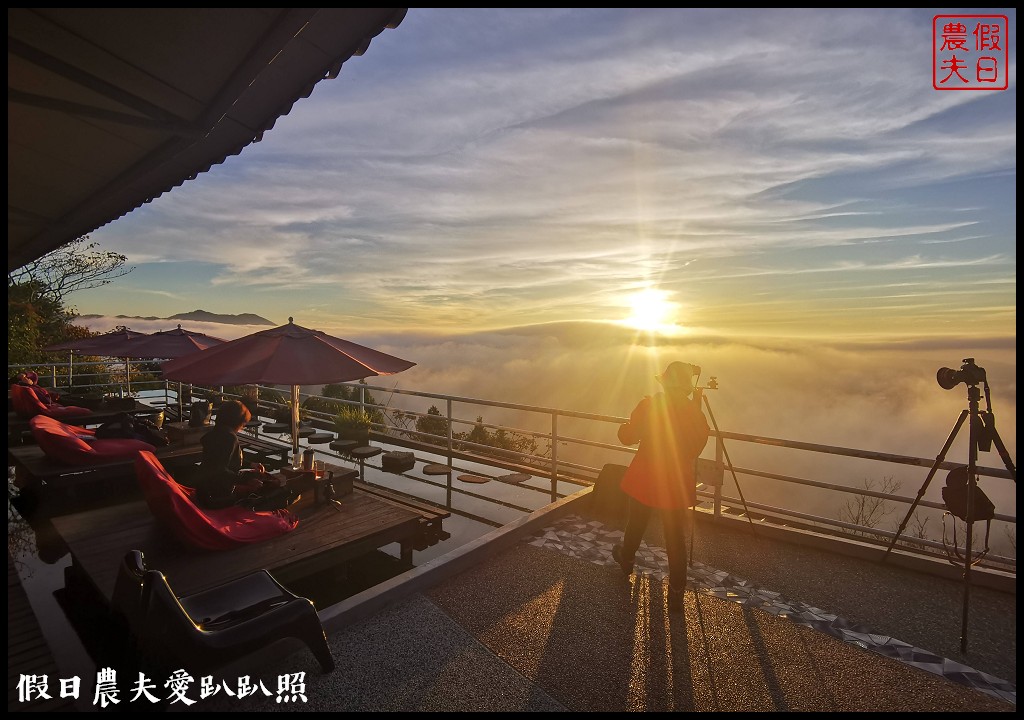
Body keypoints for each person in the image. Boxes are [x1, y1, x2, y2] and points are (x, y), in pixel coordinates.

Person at [612, 361, 710, 611]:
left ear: (665, 383)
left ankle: (627, 559)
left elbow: (628, 437)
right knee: (674, 535)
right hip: (675, 480)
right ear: (687, 388)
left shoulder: (650, 405)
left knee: (636, 522)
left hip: (646, 475)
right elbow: (695, 447)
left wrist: (624, 427)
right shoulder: (695, 414)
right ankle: (676, 591)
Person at [195, 400, 270, 509]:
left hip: (203, 491)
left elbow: (223, 459)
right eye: (243, 424)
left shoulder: (215, 433)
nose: (243, 427)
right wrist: (247, 480)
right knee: (264, 493)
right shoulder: (229, 438)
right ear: (237, 421)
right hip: (216, 496)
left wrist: (250, 464)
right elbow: (219, 471)